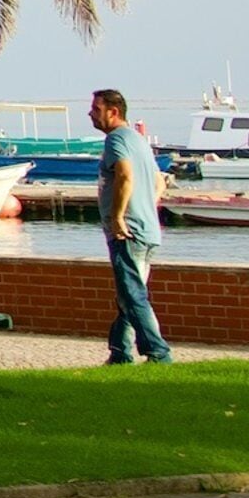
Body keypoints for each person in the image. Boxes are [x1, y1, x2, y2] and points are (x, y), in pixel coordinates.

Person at [94, 86, 171, 363]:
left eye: (96, 109)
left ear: (113, 112)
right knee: (129, 297)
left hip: (128, 232)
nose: (91, 114)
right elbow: (159, 181)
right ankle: (120, 352)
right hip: (147, 230)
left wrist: (118, 217)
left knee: (134, 296)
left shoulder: (116, 139)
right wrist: (145, 205)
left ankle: (159, 353)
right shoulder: (138, 140)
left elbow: (125, 176)